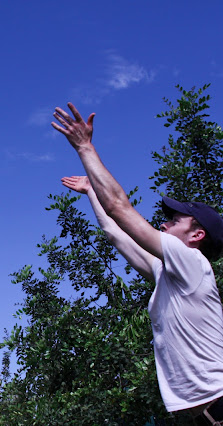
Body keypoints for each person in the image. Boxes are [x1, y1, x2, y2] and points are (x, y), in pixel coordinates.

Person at [52, 103, 223, 425]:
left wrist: (85, 147)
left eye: (175, 220)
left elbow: (120, 207)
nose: (164, 223)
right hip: (202, 415)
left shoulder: (191, 261)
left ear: (197, 235)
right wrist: (91, 192)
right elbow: (115, 232)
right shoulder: (171, 274)